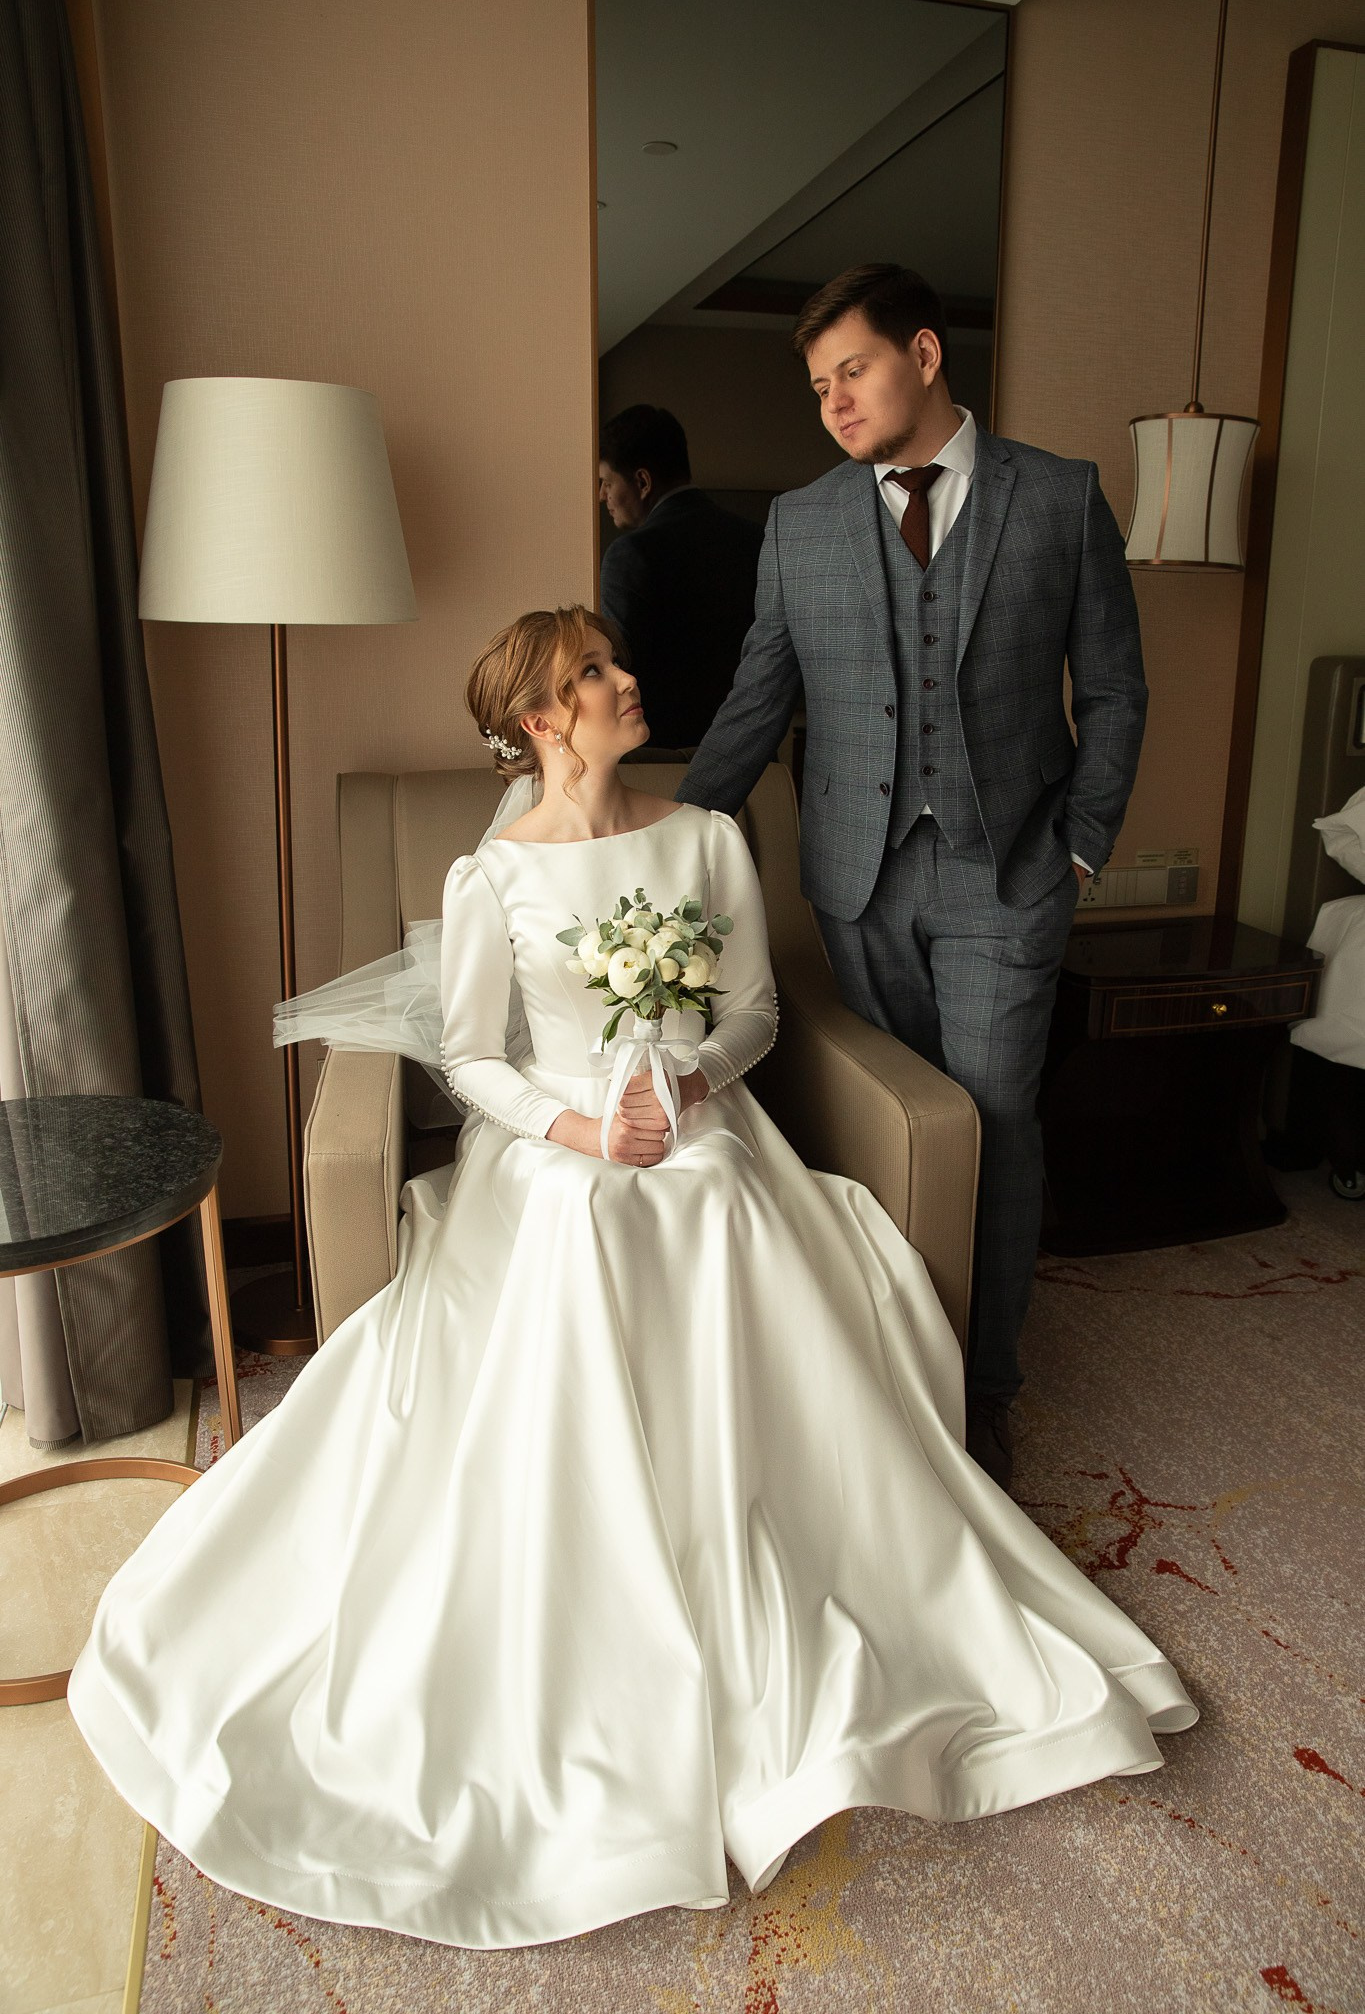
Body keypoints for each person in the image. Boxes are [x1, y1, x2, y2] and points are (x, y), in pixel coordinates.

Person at [68, 605, 1192, 1953]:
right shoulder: (492, 877)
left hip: (698, 1123)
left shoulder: (708, 835)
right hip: (554, 1141)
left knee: (710, 1198)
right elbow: (470, 1057)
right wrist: (583, 1128)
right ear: (541, 720)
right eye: (592, 672)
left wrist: (688, 1081)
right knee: (578, 1221)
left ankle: (761, 1537)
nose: (626, 678)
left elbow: (755, 1011)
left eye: (613, 659)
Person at [676, 264, 1148, 1490]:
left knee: (992, 1122)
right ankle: (888, 1363)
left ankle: (981, 1390)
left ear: (925, 355)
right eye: (817, 384)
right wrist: (674, 839)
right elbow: (758, 698)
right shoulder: (802, 522)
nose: (833, 400)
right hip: (858, 877)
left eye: (854, 370)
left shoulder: (1059, 496)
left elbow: (1113, 689)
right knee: (895, 1121)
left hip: (1011, 874)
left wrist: (1081, 844)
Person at [598, 404, 764, 748]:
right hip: (751, 749)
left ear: (642, 482)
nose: (602, 496)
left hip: (661, 758)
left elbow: (621, 671)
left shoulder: (631, 554)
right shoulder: (756, 539)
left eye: (607, 482)